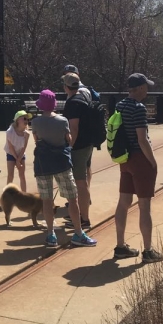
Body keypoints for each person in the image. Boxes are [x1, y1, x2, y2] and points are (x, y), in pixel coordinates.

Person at [32, 91, 96, 247]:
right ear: (54, 104)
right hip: (61, 162)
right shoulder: (62, 121)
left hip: (43, 163)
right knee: (72, 198)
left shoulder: (35, 122)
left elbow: (36, 140)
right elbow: (69, 139)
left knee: (47, 199)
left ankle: (51, 234)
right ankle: (78, 233)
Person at [113, 73, 163, 263]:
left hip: (124, 159)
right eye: (146, 86)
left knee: (123, 202)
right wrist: (153, 162)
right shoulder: (138, 108)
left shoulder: (120, 105)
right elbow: (142, 139)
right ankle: (148, 251)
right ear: (140, 88)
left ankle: (120, 246)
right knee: (144, 206)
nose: (147, 90)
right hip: (140, 159)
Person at [61, 72, 97, 229]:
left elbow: (73, 128)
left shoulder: (73, 103)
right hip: (87, 144)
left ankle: (84, 219)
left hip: (79, 147)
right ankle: (80, 216)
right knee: (81, 182)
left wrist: (69, 148)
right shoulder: (83, 98)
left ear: (66, 87)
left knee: (80, 183)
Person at [4, 110, 30, 192]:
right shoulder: (10, 132)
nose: (26, 120)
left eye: (27, 119)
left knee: (22, 175)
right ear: (18, 120)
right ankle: (7, 195)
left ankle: (24, 195)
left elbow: (24, 148)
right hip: (11, 154)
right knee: (10, 175)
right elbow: (11, 147)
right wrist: (16, 159)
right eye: (24, 118)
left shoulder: (27, 134)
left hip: (21, 154)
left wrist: (19, 160)